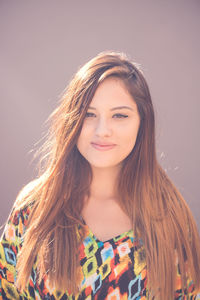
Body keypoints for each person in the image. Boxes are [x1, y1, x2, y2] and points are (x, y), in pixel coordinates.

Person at [0, 51, 199, 300]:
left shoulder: (170, 216)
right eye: (89, 114)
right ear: (72, 120)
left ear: (143, 122)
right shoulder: (34, 208)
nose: (103, 130)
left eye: (120, 115)